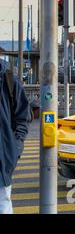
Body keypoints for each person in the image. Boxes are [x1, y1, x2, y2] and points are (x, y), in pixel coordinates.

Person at [0, 61, 30, 214]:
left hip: (2, 160)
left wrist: (15, 147)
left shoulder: (8, 79)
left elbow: (23, 117)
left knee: (2, 206)